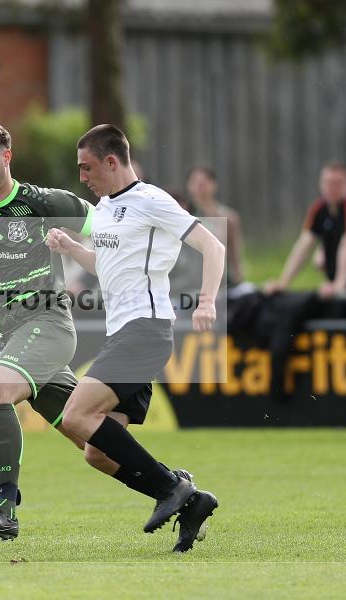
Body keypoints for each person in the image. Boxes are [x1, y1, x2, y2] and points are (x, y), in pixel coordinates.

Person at [0, 122, 200, 545]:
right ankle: (179, 492)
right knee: (95, 447)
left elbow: (109, 232)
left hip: (47, 326)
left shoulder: (47, 202)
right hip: (11, 338)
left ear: (6, 157)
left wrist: (124, 270)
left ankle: (5, 508)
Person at [46, 124, 225, 552]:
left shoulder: (152, 201)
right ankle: (192, 500)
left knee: (75, 417)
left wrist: (206, 301)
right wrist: (72, 249)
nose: (83, 177)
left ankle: (171, 488)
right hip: (123, 333)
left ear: (112, 161)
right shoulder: (106, 208)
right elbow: (106, 267)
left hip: (146, 329)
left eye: (87, 168)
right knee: (97, 453)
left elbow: (213, 246)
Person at [266, 161, 346, 319]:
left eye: (338, 183)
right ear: (321, 184)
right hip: (343, 297)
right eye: (329, 183)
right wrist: (284, 282)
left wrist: (339, 284)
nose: (333, 188)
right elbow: (304, 245)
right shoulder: (319, 208)